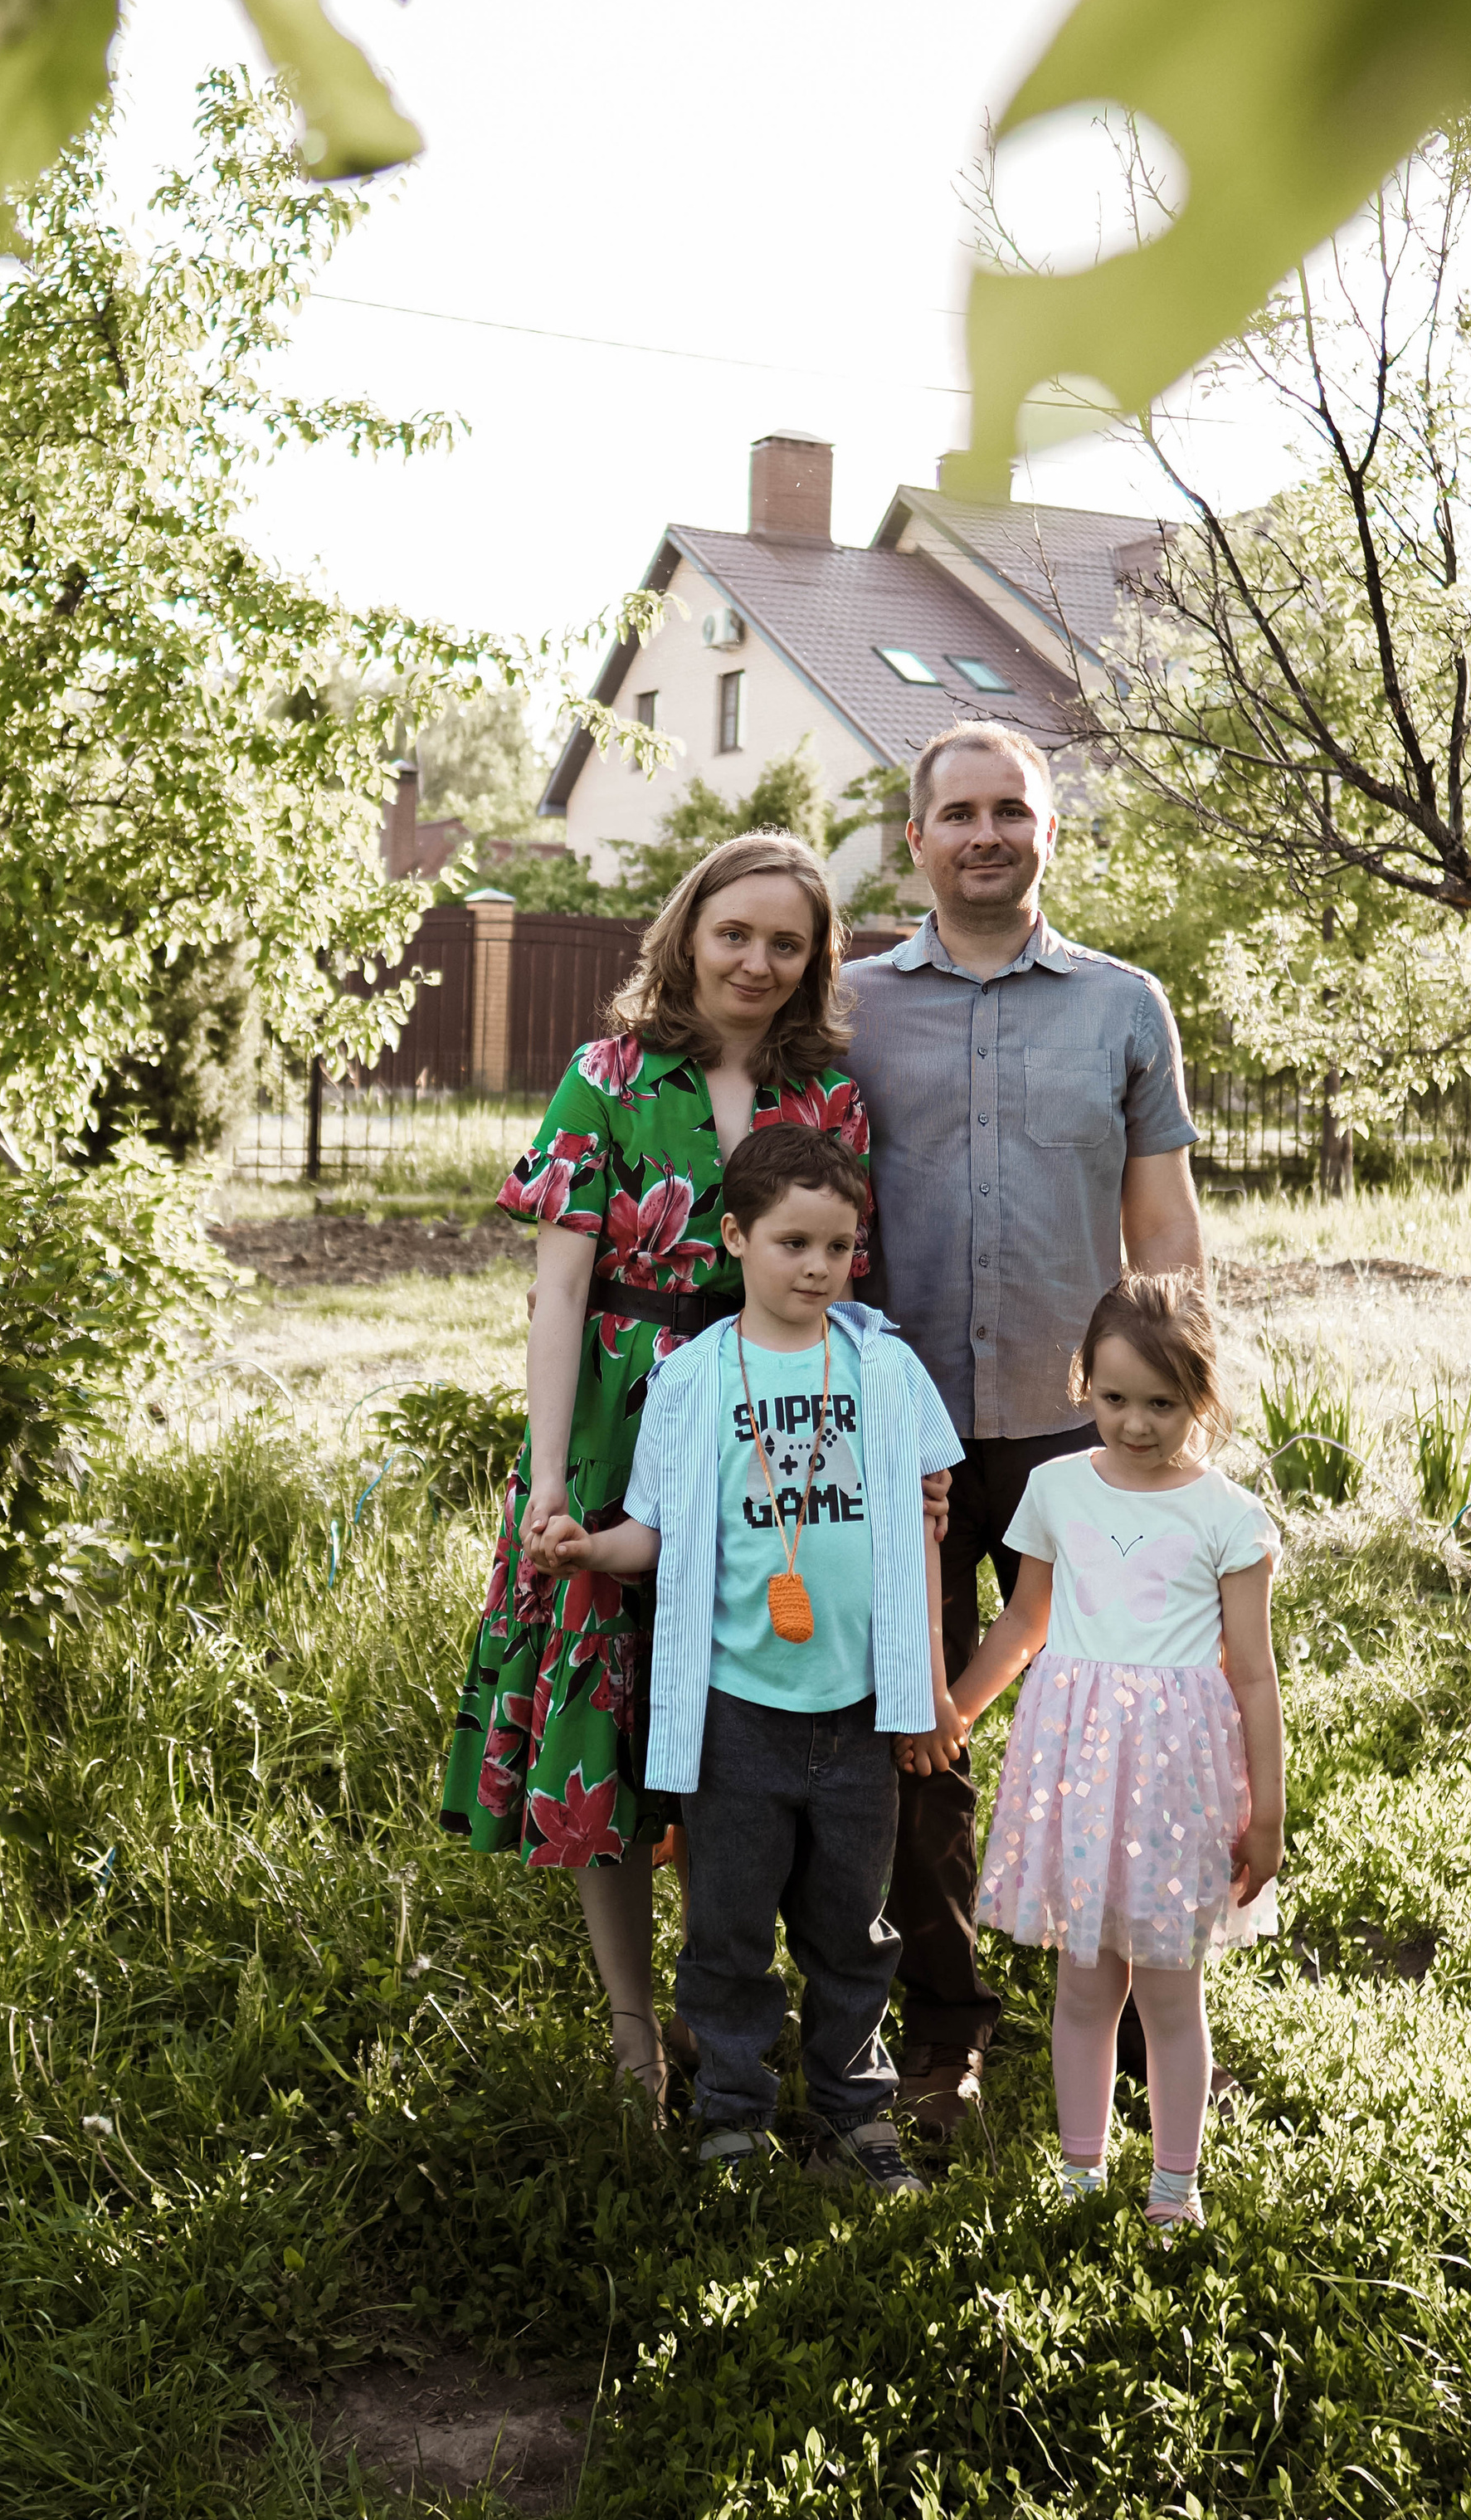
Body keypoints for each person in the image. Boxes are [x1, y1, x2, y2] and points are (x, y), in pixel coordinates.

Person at [439, 832, 872, 2108]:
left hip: (768, 1424)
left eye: (785, 942)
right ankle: (636, 2033)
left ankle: (725, 2001)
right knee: (609, 1717)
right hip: (618, 1424)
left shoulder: (830, 1100)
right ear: (688, 931)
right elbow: (559, 1290)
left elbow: (846, 1290)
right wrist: (554, 1478)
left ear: (813, 961)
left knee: (733, 1710)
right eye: (734, 932)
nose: (756, 959)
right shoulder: (609, 1075)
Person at [845, 719, 1207, 2141]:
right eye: (960, 812)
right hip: (901, 1432)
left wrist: (1173, 1415)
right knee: (913, 1736)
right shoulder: (853, 1005)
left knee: (1112, 1718)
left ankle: (1121, 2016)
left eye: (1014, 809)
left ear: (1049, 828)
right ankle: (948, 2030)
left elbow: (1163, 1215)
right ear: (917, 835)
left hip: (1084, 1434)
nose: (987, 833)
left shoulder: (1125, 1005)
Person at [541, 1122, 964, 2191]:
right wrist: (590, 1546)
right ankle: (732, 2112)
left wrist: (920, 1694)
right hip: (734, 1707)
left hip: (858, 1706)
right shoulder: (689, 1381)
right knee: (725, 1929)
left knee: (850, 1929)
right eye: (792, 1243)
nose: (817, 1266)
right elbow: (656, 1536)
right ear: (733, 1237)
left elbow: (923, 1536)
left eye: (837, 1245)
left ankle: (853, 2112)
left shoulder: (885, 1369)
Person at [902, 1270, 1283, 2230]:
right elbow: (1024, 1620)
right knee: (1082, 1982)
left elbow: (1252, 1675)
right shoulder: (1057, 1489)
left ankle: (1173, 2186)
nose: (1136, 1422)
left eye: (1162, 1402)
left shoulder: (1227, 1517)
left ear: (1201, 1397)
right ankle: (1079, 2170)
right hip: (1076, 1772)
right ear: (1083, 1384)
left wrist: (1265, 1810)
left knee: (1165, 1988)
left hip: (1174, 1786)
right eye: (1113, 1398)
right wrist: (956, 1709)